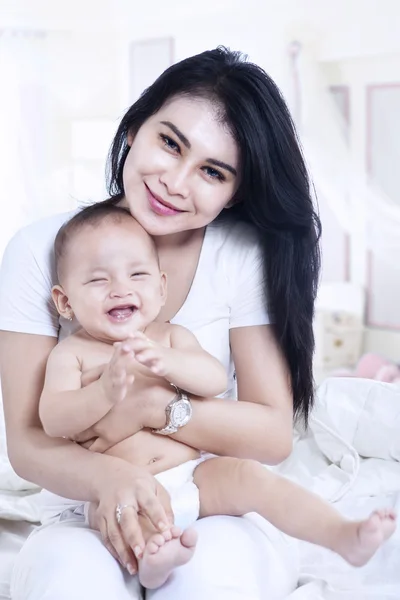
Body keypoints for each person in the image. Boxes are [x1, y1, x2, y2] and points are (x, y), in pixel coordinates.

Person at [0, 46, 323, 599]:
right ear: (132, 130)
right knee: (69, 584)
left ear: (233, 193)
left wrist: (156, 408)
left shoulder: (241, 255)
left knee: (210, 584)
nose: (175, 181)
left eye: (212, 172)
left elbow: (271, 434)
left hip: (213, 500)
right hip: (83, 505)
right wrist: (111, 478)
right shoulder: (40, 250)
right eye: (169, 143)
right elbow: (27, 444)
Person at [38, 203, 396, 590]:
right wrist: (104, 391)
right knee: (122, 514)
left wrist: (168, 362)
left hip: (194, 474)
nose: (121, 288)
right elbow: (55, 420)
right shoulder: (72, 354)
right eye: (98, 281)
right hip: (120, 487)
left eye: (136, 274)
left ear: (160, 288)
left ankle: (340, 534)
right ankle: (153, 565)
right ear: (65, 302)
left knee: (250, 477)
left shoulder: (170, 337)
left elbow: (211, 380)